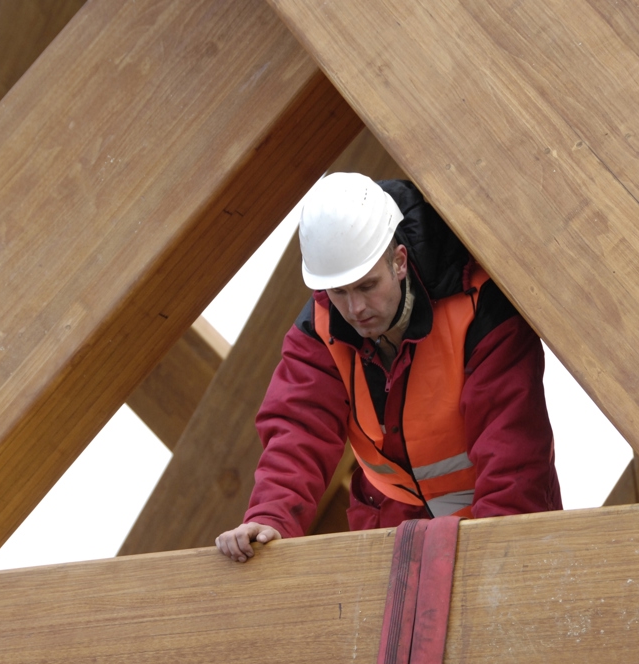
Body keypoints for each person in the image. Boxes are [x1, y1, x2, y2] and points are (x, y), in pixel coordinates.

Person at [216, 173, 561, 563]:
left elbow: (512, 449)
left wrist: (503, 554)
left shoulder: (479, 306)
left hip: (493, 521)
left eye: (366, 286)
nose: (355, 309)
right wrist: (269, 517)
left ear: (399, 261)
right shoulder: (320, 328)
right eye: (339, 292)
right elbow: (298, 430)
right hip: (389, 529)